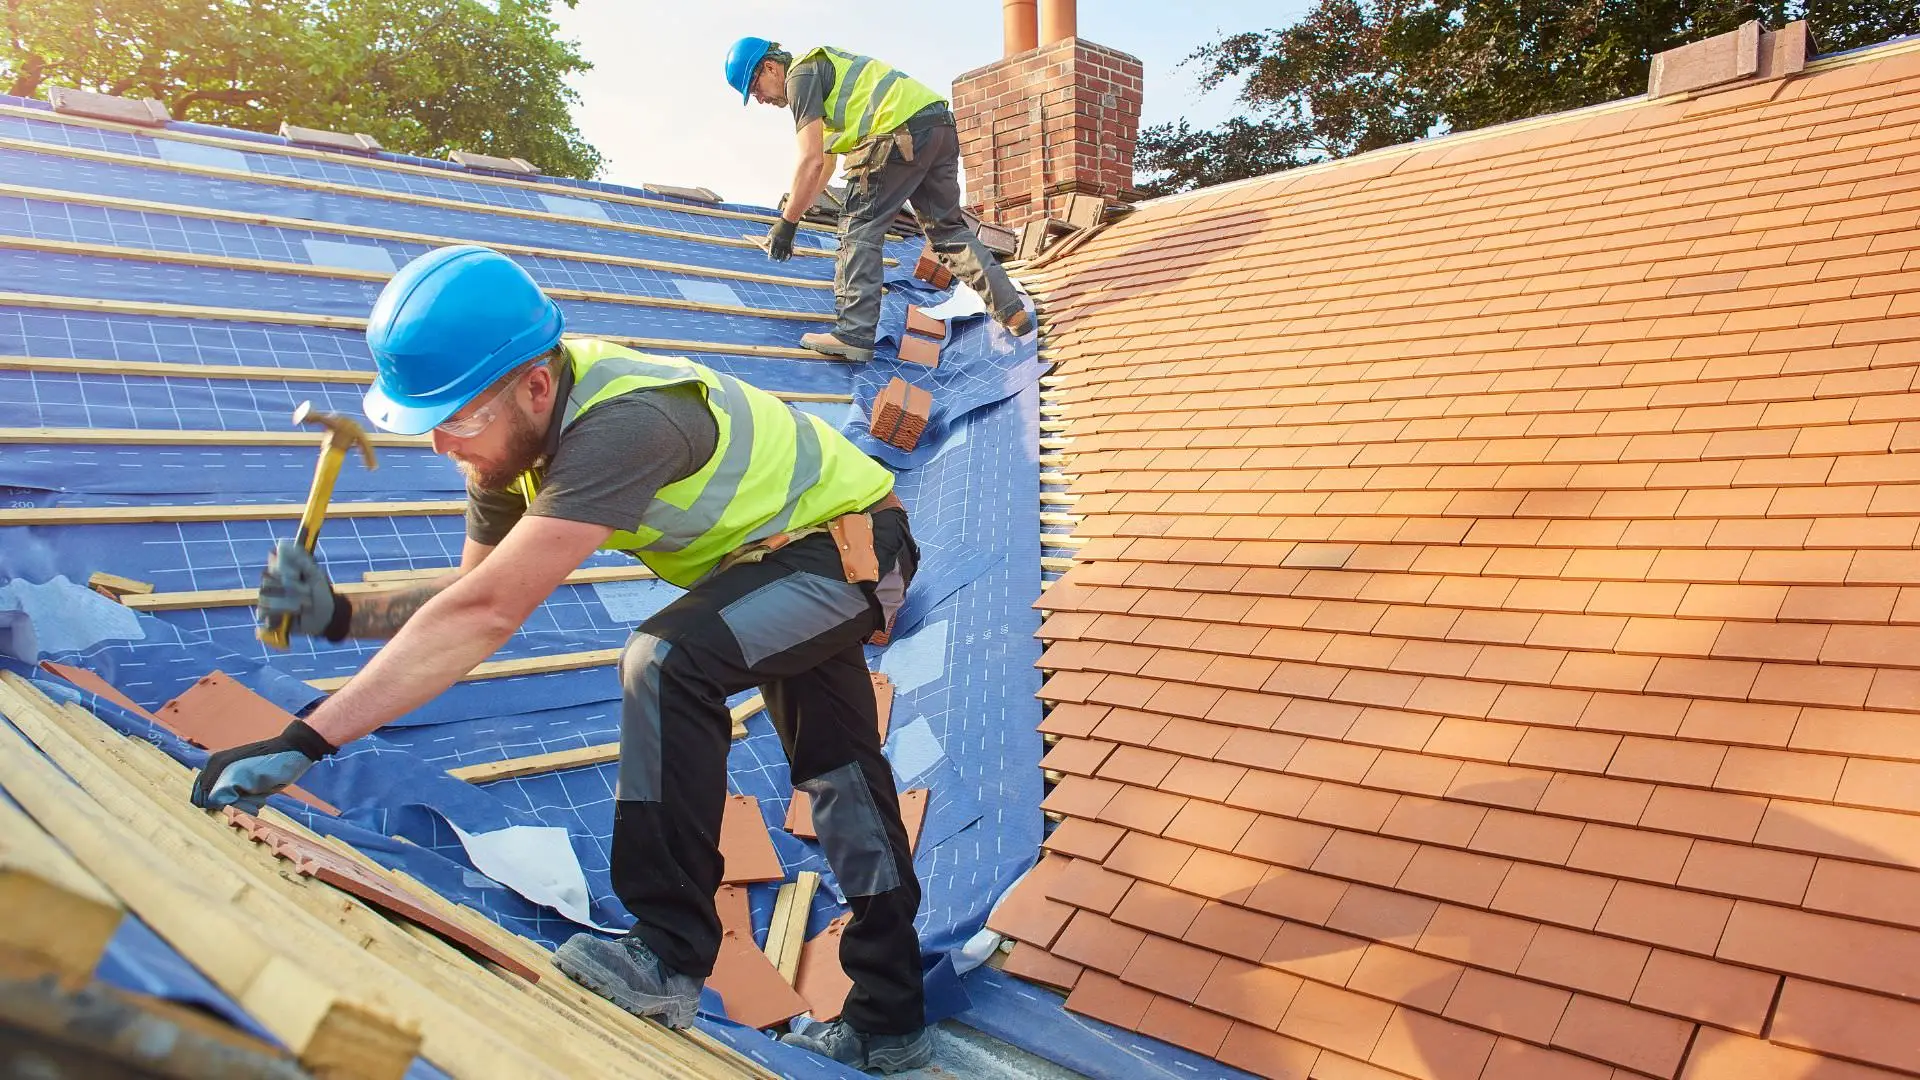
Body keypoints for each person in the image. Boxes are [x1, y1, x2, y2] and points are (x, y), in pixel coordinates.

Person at [190, 245, 934, 1074]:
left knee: (666, 661)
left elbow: (482, 616)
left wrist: (305, 740)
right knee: (840, 778)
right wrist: (340, 615)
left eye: (458, 418)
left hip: (851, 548)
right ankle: (891, 1019)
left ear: (535, 386)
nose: (442, 444)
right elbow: (471, 599)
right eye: (427, 421)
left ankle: (667, 953)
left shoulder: (626, 424)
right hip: (774, 563)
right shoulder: (504, 448)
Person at [724, 36, 1032, 363]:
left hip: (896, 131)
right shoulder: (825, 80)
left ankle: (853, 333)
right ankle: (1012, 311)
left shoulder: (800, 77)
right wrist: (795, 215)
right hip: (937, 126)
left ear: (771, 67)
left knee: (858, 229)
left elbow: (810, 159)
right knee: (948, 232)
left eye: (755, 87)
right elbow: (824, 165)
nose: (759, 99)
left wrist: (785, 225)